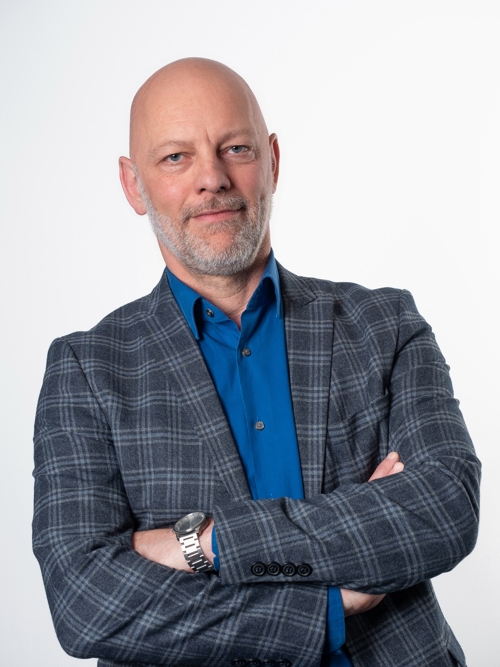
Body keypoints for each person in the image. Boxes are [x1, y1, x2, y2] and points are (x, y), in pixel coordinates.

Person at [33, 58, 480, 667]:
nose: (212, 178)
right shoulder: (86, 370)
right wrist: (325, 609)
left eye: (235, 148)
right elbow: (86, 605)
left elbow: (446, 509)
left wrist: (202, 542)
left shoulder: (385, 323)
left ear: (272, 159)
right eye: (176, 157)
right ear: (134, 185)